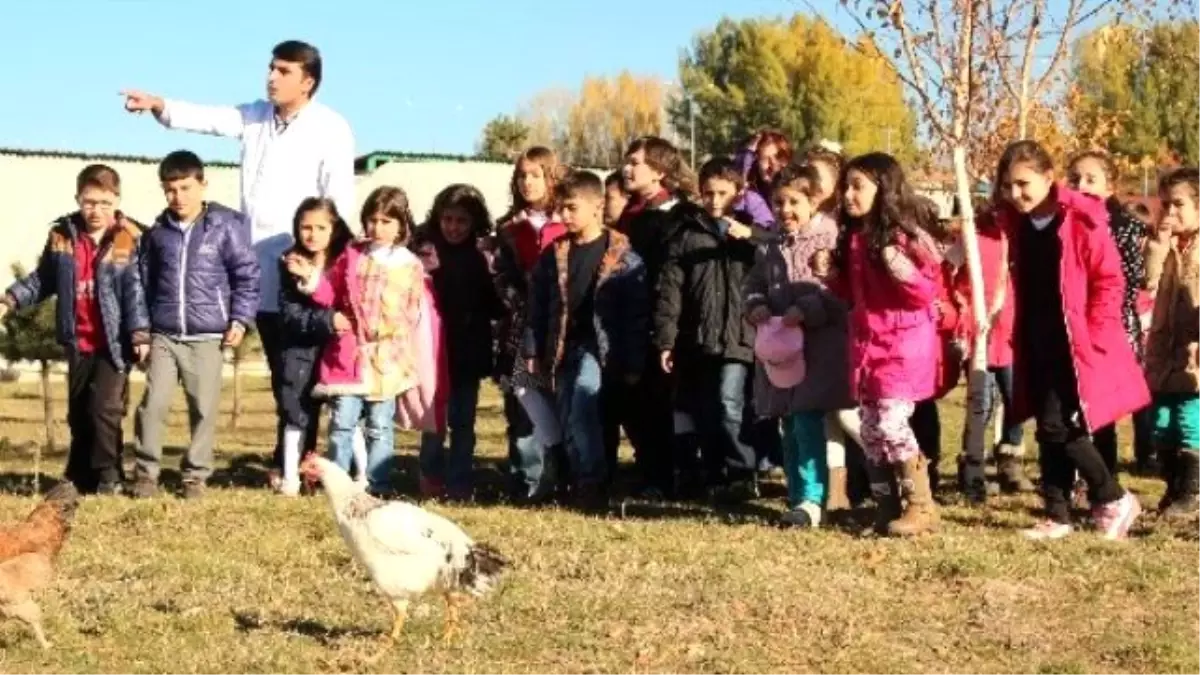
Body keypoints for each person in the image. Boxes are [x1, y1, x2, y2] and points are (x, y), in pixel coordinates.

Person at [121, 39, 355, 489]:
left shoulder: (332, 128)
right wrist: (159, 105)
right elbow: (209, 118)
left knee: (300, 370)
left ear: (307, 81)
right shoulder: (254, 116)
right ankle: (287, 458)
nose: (271, 77)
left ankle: (302, 463)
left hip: (303, 267)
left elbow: (338, 201)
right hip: (251, 267)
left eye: (283, 71)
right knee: (279, 372)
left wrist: (322, 266)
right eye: (270, 67)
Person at [995, 140, 1147, 541]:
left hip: (1077, 343)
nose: (1016, 194)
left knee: (1064, 425)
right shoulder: (1019, 223)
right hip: (1037, 339)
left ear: (1049, 178)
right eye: (1008, 186)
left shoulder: (1081, 220)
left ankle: (1114, 496)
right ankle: (1058, 514)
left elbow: (1110, 281)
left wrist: (1095, 334)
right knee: (1048, 429)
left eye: (1024, 184)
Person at [1, 165, 150, 495]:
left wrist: (140, 333)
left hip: (114, 341)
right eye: (89, 202)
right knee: (80, 410)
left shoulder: (129, 237)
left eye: (104, 203)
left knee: (105, 410)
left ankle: (109, 475)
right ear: (78, 199)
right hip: (78, 340)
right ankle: (79, 475)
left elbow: (136, 290)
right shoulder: (62, 236)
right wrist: (10, 299)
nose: (96, 210)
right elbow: (43, 279)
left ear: (117, 200)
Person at [133, 151, 260, 499]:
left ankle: (195, 476)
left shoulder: (224, 229)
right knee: (153, 404)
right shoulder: (157, 234)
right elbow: (142, 284)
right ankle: (145, 473)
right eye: (170, 189)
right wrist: (142, 332)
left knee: (203, 408)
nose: (179, 197)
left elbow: (246, 277)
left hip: (208, 336)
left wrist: (239, 319)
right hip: (164, 334)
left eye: (186, 187)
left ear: (203, 185)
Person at [525, 170, 648, 511]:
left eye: (571, 208)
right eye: (560, 208)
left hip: (600, 347)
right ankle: (577, 479)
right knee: (567, 416)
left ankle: (593, 482)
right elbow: (537, 305)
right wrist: (533, 348)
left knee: (583, 405)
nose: (564, 216)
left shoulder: (623, 256)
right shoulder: (554, 254)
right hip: (562, 346)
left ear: (597, 206)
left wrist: (634, 360)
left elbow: (637, 314)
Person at [835, 152, 942, 537]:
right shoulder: (855, 238)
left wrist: (898, 265)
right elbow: (852, 293)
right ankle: (886, 507)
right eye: (845, 186)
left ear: (884, 190)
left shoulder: (905, 236)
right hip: (868, 346)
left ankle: (922, 506)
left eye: (857, 186)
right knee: (870, 429)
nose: (848, 194)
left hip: (903, 345)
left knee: (893, 423)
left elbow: (926, 291)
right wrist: (830, 275)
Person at [743, 164, 850, 527]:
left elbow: (838, 295)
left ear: (814, 201)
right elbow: (753, 282)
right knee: (787, 422)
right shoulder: (770, 246)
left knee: (806, 421)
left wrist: (806, 309)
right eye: (779, 202)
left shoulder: (829, 241)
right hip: (781, 352)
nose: (785, 210)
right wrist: (755, 303)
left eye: (794, 202)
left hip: (818, 353)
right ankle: (796, 494)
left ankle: (812, 498)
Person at [299, 186, 425, 496]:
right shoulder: (353, 255)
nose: (377, 228)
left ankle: (378, 484)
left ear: (401, 225)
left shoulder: (410, 264)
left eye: (386, 221)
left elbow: (413, 312)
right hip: (351, 355)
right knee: (342, 422)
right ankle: (337, 484)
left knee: (380, 425)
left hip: (387, 358)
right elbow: (331, 291)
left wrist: (397, 345)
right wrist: (312, 280)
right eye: (372, 220)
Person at [655, 157, 768, 500]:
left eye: (723, 193)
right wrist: (666, 340)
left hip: (739, 335)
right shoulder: (687, 235)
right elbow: (670, 291)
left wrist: (752, 238)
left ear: (738, 191)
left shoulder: (751, 232)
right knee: (707, 409)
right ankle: (714, 471)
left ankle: (742, 471)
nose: (715, 201)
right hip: (700, 337)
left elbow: (779, 255)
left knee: (731, 402)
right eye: (708, 193)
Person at [613, 136, 699, 499]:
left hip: (667, 323)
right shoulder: (631, 216)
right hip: (632, 322)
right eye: (626, 161)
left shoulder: (679, 217)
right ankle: (652, 472)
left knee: (666, 404)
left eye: (636, 163)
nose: (626, 169)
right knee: (635, 402)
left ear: (660, 171)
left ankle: (675, 476)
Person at [413, 185, 502, 501]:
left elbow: (496, 304)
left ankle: (460, 480)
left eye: (461, 221)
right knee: (433, 421)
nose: (453, 227)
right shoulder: (423, 253)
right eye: (447, 219)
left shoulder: (485, 257)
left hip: (469, 349)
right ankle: (430, 474)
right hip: (432, 350)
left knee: (463, 422)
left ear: (474, 222)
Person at [1067, 151, 1153, 475]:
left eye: (1091, 179)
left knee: (1102, 409)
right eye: (1075, 179)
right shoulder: (1062, 223)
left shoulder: (1124, 226)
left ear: (1109, 185)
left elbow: (1130, 280)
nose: (1081, 185)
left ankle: (1106, 477)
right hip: (1071, 326)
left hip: (1109, 327)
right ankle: (1081, 477)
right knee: (1075, 408)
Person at [494, 147, 568, 503]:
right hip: (522, 323)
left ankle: (567, 474)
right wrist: (521, 300)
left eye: (535, 175)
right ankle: (528, 479)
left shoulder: (568, 219)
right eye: (521, 175)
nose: (527, 182)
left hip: (563, 322)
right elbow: (501, 277)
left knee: (562, 398)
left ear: (551, 177)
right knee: (522, 398)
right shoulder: (508, 228)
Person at [950, 207, 1034, 501]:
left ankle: (1010, 457)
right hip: (980, 333)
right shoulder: (970, 238)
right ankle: (972, 463)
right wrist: (963, 312)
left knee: (1017, 400)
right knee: (980, 403)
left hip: (1013, 334)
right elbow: (951, 277)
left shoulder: (1024, 238)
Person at [275, 197, 355, 496]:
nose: (312, 234)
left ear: (334, 228)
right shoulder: (289, 261)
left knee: (346, 417)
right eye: (305, 227)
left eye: (320, 227)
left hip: (342, 353)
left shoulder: (348, 259)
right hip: (300, 351)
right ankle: (291, 477)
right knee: (297, 415)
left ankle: (348, 476)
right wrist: (327, 320)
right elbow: (290, 314)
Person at [1144, 167, 1200, 516]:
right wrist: (1158, 247)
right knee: (1161, 421)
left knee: (1189, 419)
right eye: (1164, 205)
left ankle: (1191, 493)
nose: (1170, 213)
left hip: (1193, 350)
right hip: (1163, 349)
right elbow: (1148, 282)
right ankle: (1172, 485)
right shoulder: (1162, 244)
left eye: (1178, 204)